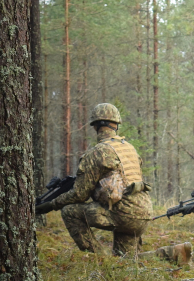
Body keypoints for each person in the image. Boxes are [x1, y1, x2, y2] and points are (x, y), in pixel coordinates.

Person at [35, 103, 152, 256]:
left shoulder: (97, 152)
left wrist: (52, 204)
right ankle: (171, 253)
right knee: (124, 261)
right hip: (144, 213)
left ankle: (100, 258)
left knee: (69, 212)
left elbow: (79, 194)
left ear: (96, 126)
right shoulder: (130, 149)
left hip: (123, 214)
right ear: (116, 125)